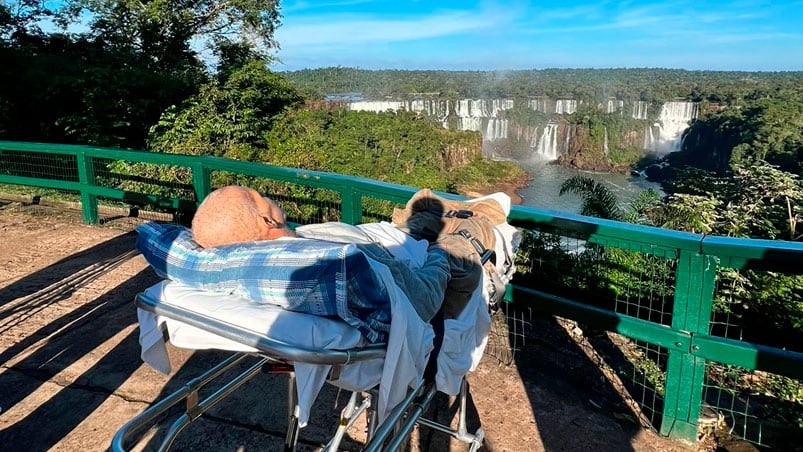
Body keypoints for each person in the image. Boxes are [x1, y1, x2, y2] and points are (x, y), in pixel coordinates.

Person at [190, 185, 501, 322]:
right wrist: (442, 253)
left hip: (388, 238)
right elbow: (423, 299)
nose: (268, 196)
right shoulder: (342, 264)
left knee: (424, 206)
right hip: (416, 256)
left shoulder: (277, 254)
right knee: (479, 222)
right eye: (260, 197)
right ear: (267, 221)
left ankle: (441, 211)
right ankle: (461, 214)